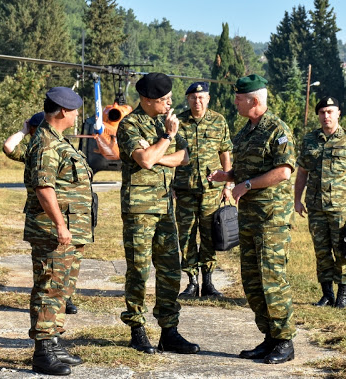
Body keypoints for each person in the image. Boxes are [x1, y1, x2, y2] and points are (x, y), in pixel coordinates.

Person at [208, 74, 296, 364]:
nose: (235, 103)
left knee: (271, 277)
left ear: (255, 101)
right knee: (252, 279)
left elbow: (284, 171)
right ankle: (269, 337)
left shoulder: (276, 129)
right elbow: (246, 167)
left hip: (270, 218)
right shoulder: (246, 131)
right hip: (248, 218)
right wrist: (228, 176)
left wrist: (245, 186)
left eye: (239, 99)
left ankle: (285, 340)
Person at [116, 72, 199, 355]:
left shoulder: (167, 121)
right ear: (147, 100)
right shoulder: (129, 125)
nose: (169, 104)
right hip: (139, 209)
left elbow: (183, 158)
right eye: (164, 100)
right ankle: (137, 329)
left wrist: (156, 154)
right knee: (139, 270)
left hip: (165, 207)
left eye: (170, 99)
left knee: (170, 271)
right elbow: (144, 160)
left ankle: (169, 330)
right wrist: (166, 138)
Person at [23, 87, 94, 376]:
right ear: (63, 112)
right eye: (75, 111)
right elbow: (44, 189)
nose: (77, 116)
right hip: (53, 233)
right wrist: (61, 225)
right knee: (49, 288)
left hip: (69, 233)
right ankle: (42, 353)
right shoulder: (46, 144)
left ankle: (54, 343)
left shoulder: (58, 140)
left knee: (62, 289)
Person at [294, 96, 346, 309]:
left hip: (339, 208)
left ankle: (342, 294)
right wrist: (297, 201)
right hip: (315, 207)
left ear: (338, 114)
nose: (326, 116)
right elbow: (302, 173)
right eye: (322, 112)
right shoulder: (310, 140)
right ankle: (327, 294)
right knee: (321, 251)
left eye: (330, 112)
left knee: (343, 251)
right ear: (318, 115)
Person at [3, 111, 80, 316]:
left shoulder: (56, 145)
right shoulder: (35, 150)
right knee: (49, 269)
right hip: (44, 217)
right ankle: (52, 308)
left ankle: (65, 298)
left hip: (67, 214)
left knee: (66, 264)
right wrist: (23, 130)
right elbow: (8, 147)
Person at [173, 81, 233, 299]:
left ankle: (208, 281)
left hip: (211, 189)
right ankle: (191, 281)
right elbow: (170, 154)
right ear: (187, 99)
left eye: (201, 97)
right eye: (193, 98)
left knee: (209, 234)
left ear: (208, 99)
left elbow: (225, 153)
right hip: (184, 189)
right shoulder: (178, 121)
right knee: (186, 235)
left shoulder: (218, 121)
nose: (197, 101)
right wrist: (170, 185)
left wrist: (228, 184)